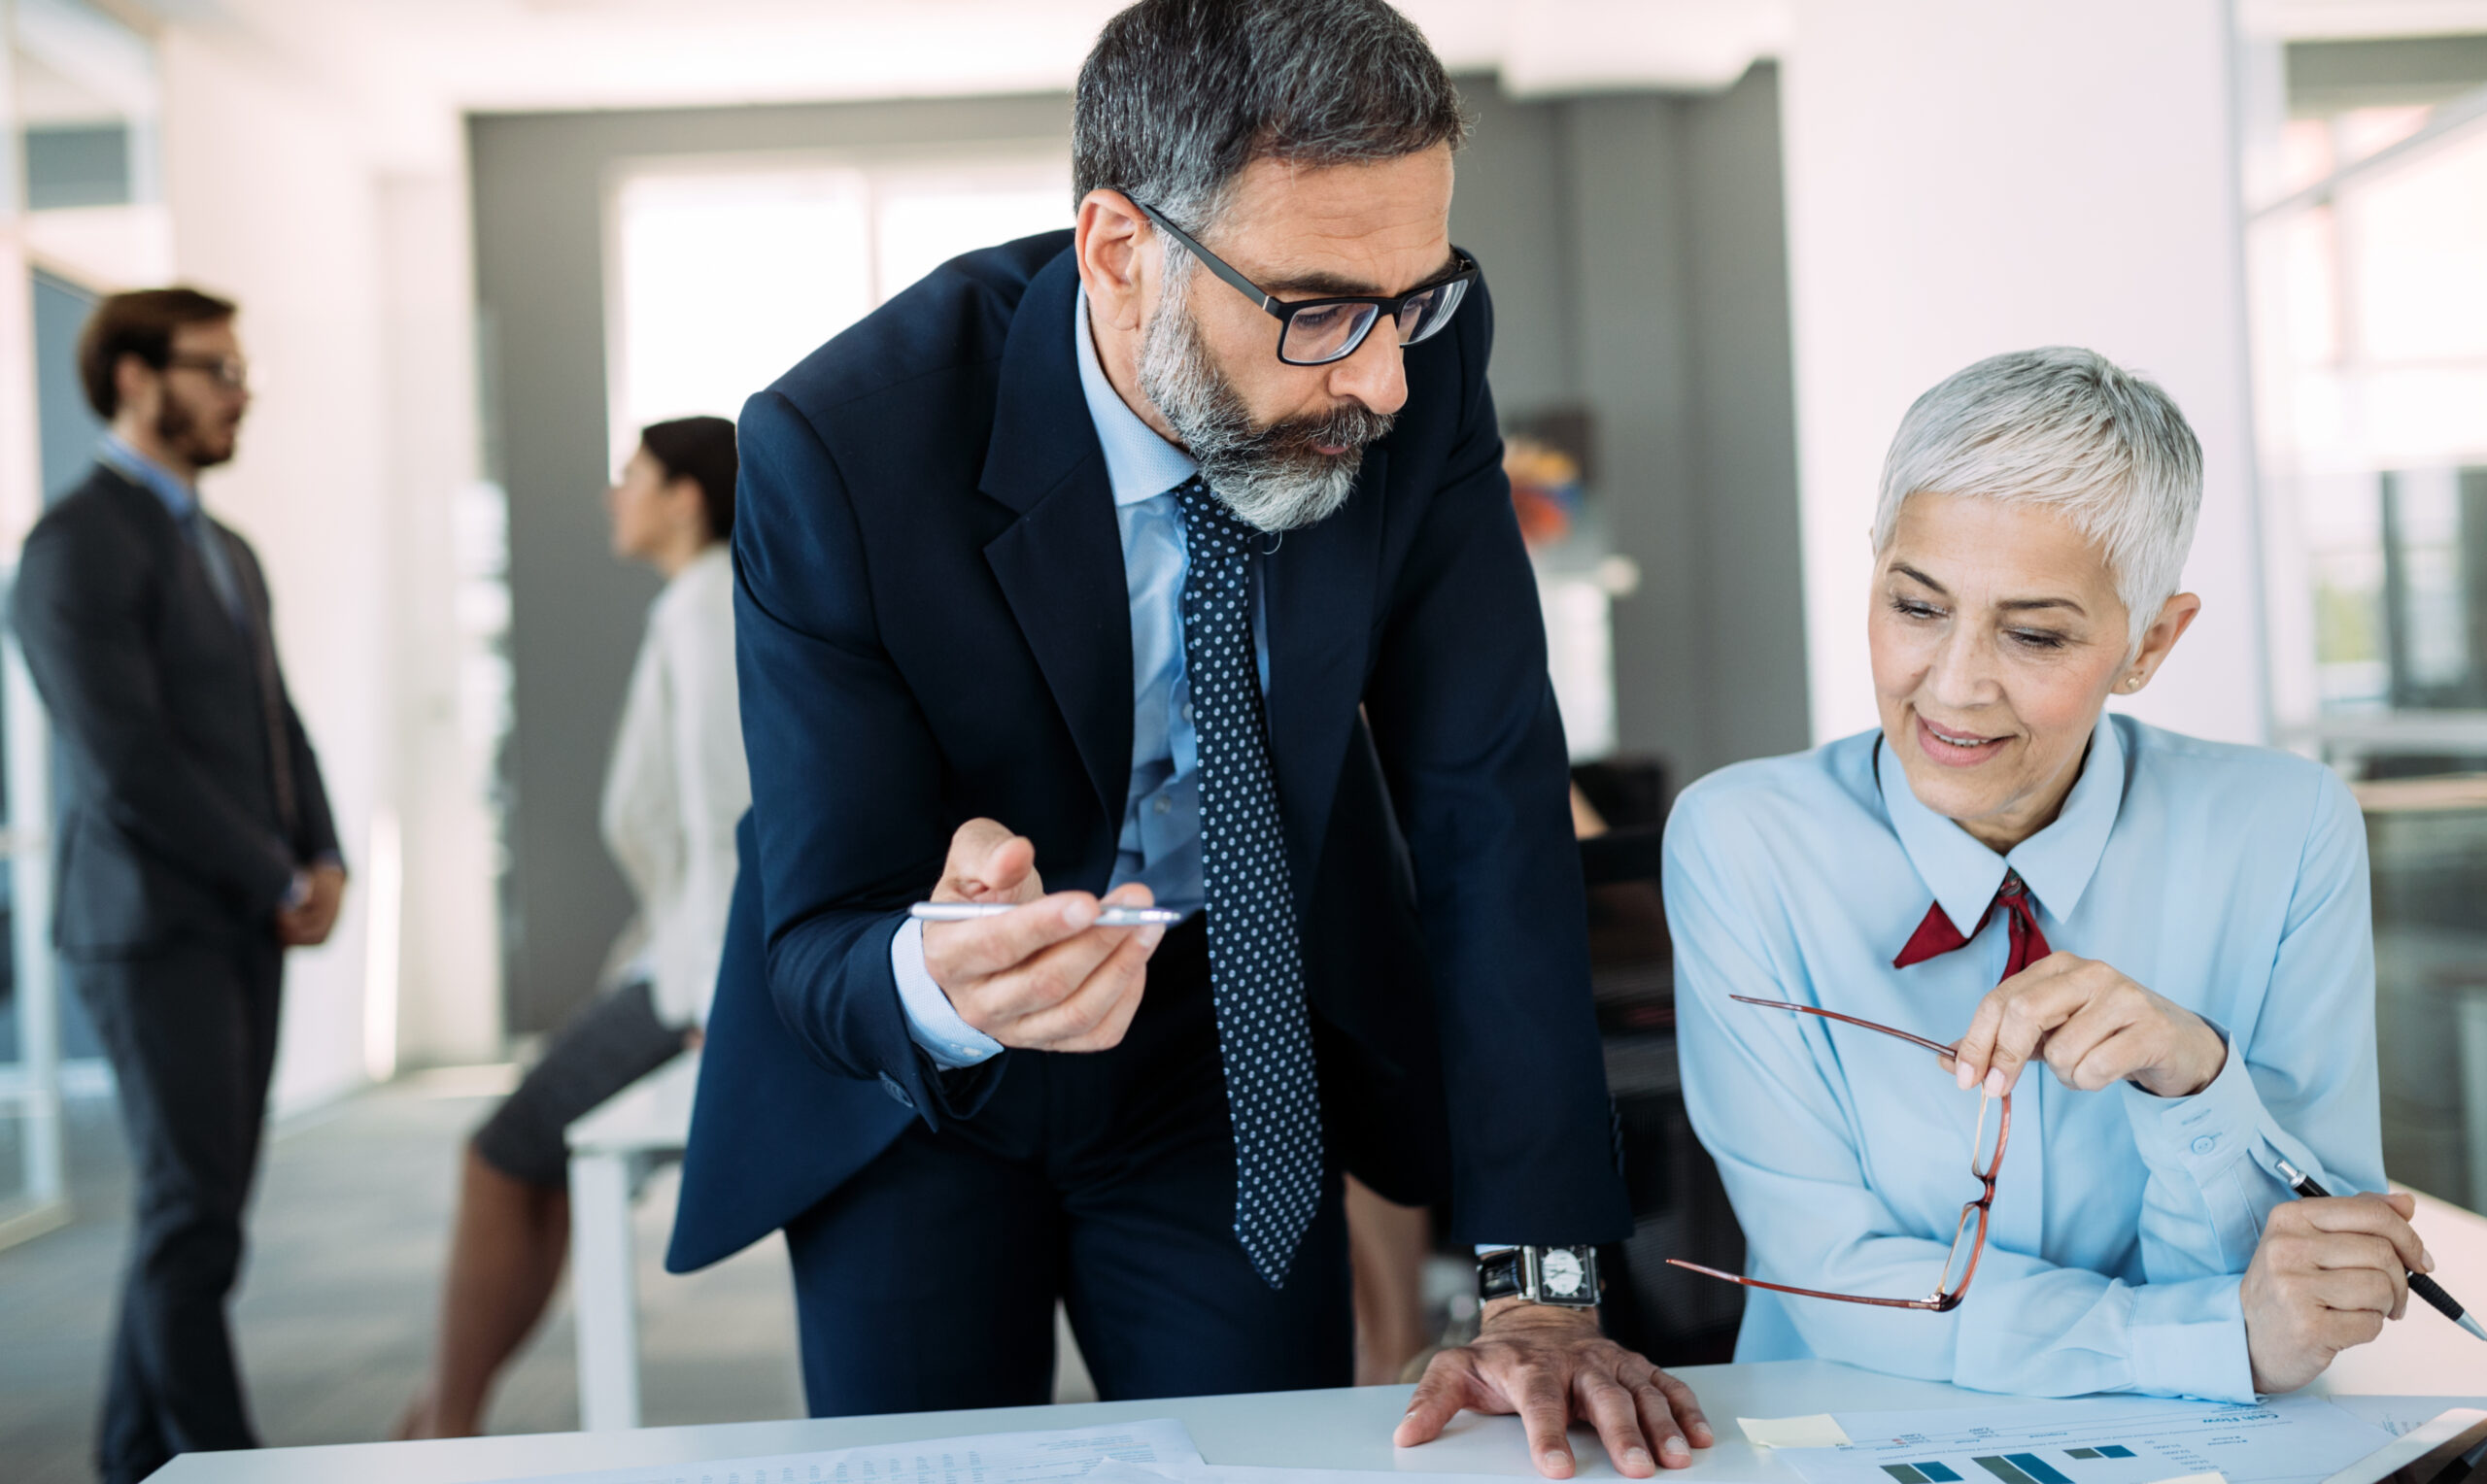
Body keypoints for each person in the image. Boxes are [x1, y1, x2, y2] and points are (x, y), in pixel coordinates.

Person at [666, 1, 1713, 1474]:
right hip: (916, 1088)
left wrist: (1541, 1285)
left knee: (1267, 1461)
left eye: (1418, 297)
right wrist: (952, 975)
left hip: (1229, 1045)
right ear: (1118, 250)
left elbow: (1488, 807)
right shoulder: (841, 446)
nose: (1383, 379)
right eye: (1320, 306)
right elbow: (819, 913)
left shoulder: (1416, 375)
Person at [1667, 347, 2425, 1402]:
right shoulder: (1741, 841)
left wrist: (2194, 1078)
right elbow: (1830, 1273)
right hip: (1846, 1433)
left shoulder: (2286, 830)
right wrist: (2202, 1340)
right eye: (1916, 606)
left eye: (2031, 633)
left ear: (2150, 641)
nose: (1953, 686)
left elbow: (2310, 1284)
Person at [11, 287, 346, 1484]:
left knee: (193, 1212)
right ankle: (223, 1464)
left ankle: (129, 1457)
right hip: (148, 929)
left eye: (241, 372)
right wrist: (271, 869)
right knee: (191, 1215)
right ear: (137, 380)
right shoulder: (71, 545)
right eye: (216, 370)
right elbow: (125, 761)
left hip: (237, 917)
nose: (238, 393)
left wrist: (325, 852)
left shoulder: (225, 546)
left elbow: (274, 718)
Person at [396, 416, 746, 1439]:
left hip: (695, 978)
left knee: (499, 1156)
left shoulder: (703, 608)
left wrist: (709, 1002)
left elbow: (728, 820)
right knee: (527, 1163)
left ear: (684, 497)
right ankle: (442, 1414)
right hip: (672, 959)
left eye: (629, 475)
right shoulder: (697, 604)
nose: (612, 496)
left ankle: (441, 1427)